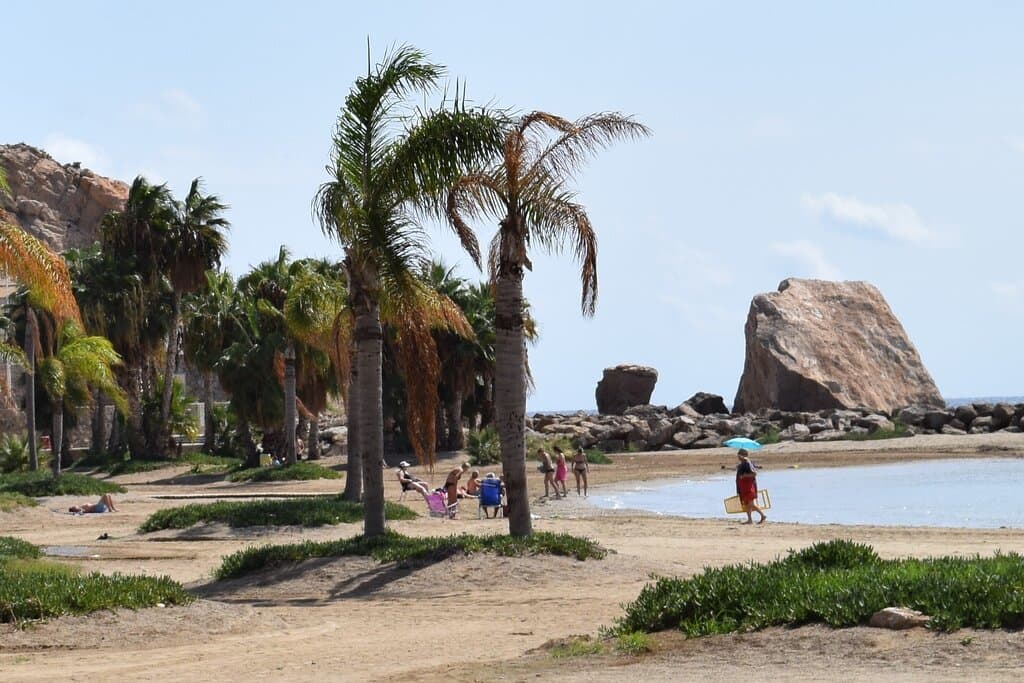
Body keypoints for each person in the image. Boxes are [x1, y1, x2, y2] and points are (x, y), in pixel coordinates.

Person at [735, 449, 767, 524]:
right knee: (746, 504)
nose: (737, 456)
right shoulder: (743, 463)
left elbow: (754, 473)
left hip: (748, 487)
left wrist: (744, 476)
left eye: (738, 455)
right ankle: (750, 520)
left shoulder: (747, 462)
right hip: (743, 487)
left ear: (741, 455)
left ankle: (763, 515)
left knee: (751, 504)